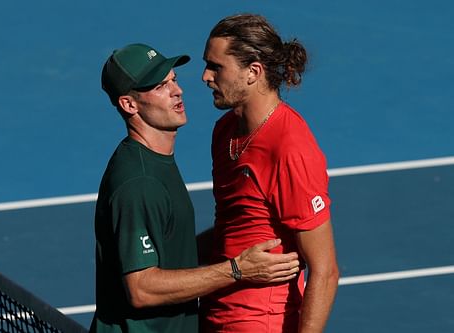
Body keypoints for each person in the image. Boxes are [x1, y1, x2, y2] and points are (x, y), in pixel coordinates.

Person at [90, 43, 302, 333]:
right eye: (160, 86)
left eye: (174, 80)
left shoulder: (155, 161)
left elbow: (173, 249)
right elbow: (142, 289)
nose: (177, 91)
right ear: (130, 104)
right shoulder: (140, 183)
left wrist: (251, 227)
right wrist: (238, 269)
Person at [200, 14, 340, 333]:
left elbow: (326, 270)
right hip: (214, 315)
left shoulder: (290, 147)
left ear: (253, 72)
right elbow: (239, 224)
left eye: (216, 66)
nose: (205, 77)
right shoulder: (225, 132)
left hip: (261, 323)